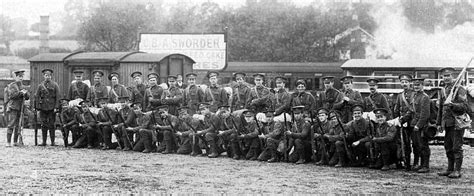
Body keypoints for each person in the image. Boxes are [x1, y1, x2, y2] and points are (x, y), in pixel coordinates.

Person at [437, 67, 470, 178]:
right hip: (447, 123)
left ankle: (457, 170)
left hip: (457, 123)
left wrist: (452, 105)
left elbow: (465, 106)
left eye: (448, 75)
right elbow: (441, 109)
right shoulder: (443, 90)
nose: (446, 78)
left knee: (456, 147)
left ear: (453, 76)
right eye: (444, 76)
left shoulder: (459, 89)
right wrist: (439, 123)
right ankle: (450, 169)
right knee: (448, 146)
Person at [393, 74, 418, 170]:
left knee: (416, 144)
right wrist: (397, 119)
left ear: (410, 83)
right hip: (403, 123)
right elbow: (396, 109)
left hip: (412, 122)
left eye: (406, 82)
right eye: (402, 82)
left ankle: (416, 163)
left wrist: (404, 118)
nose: (404, 84)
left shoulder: (414, 94)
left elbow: (412, 109)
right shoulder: (400, 95)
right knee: (405, 143)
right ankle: (407, 163)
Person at [34, 69, 60, 146]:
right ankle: (44, 142)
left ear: (51, 76)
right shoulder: (40, 86)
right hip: (43, 108)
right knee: (43, 125)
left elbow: (58, 97)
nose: (48, 77)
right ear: (44, 76)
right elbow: (37, 96)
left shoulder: (55, 85)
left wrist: (56, 107)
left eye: (49, 75)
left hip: (52, 108)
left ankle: (52, 142)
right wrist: (37, 107)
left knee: (52, 125)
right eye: (46, 75)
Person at [410, 78, 431, 173]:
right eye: (415, 85)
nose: (416, 87)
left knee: (423, 146)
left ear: (422, 85)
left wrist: (418, 125)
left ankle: (425, 166)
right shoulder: (414, 96)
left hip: (421, 126)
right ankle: (418, 164)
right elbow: (412, 111)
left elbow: (425, 114)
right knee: (416, 145)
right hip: (414, 124)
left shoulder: (425, 97)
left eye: (418, 85)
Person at [5, 70, 30, 147]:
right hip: (13, 107)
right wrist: (21, 93)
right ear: (15, 77)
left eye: (22, 77)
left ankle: (15, 141)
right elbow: (12, 95)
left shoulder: (22, 86)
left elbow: (27, 97)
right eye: (19, 77)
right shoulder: (12, 85)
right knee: (11, 124)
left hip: (21, 108)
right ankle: (8, 142)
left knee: (18, 125)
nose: (21, 78)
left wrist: (25, 94)